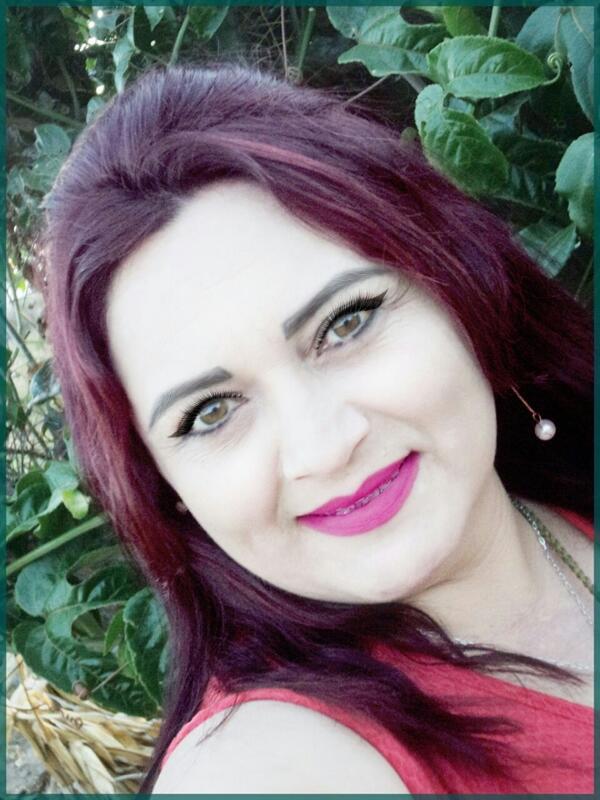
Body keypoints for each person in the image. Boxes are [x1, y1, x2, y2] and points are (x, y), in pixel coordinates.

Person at [42, 64, 593, 794]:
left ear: (459, 287)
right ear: (164, 486)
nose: (325, 447)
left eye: (346, 323)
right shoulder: (265, 766)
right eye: (211, 412)